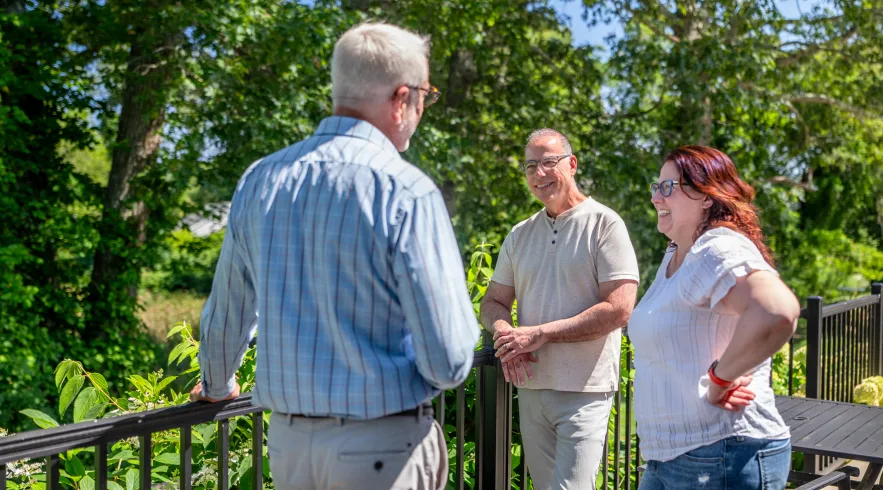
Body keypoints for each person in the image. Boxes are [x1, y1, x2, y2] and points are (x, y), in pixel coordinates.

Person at [189, 22, 481, 490]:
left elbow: (228, 311)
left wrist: (218, 386)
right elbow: (448, 361)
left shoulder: (262, 179)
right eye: (425, 95)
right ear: (401, 98)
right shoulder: (405, 191)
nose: (423, 109)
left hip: (287, 445)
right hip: (383, 447)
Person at [627, 145, 798, 490]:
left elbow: (777, 312)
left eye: (667, 188)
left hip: (721, 454)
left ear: (706, 197)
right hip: (671, 458)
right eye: (655, 187)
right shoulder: (677, 254)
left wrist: (720, 381)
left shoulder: (715, 246)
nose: (656, 198)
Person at [484, 129, 640, 490]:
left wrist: (541, 333)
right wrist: (505, 334)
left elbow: (619, 309)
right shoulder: (519, 234)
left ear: (571, 164)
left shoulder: (605, 224)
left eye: (549, 162)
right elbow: (493, 302)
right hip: (531, 388)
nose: (539, 173)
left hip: (585, 392)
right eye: (530, 166)